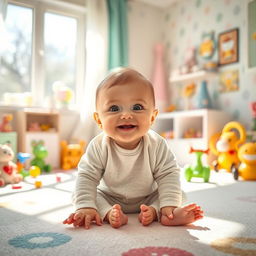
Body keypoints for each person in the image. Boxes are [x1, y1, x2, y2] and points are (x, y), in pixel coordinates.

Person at [63, 67, 204, 229]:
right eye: (114, 108)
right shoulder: (98, 145)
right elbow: (87, 176)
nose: (126, 115)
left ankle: (162, 213)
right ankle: (110, 213)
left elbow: (168, 174)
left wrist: (168, 205)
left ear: (152, 117)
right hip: (109, 197)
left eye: (137, 107)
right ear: (99, 119)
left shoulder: (157, 144)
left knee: (175, 194)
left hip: (148, 197)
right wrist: (86, 207)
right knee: (82, 196)